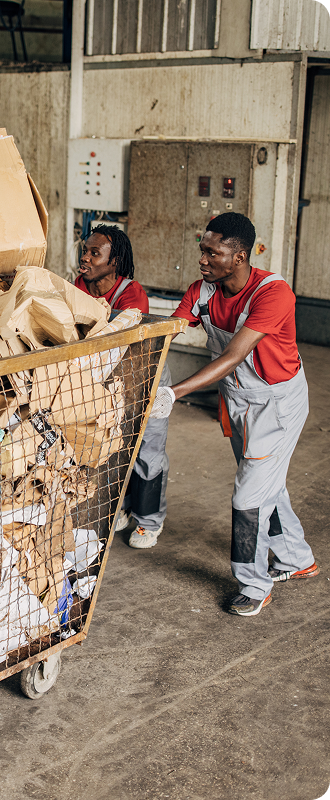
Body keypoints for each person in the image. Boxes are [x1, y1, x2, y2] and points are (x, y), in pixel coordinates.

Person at [150, 212, 319, 617]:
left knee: (248, 498)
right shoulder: (203, 291)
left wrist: (174, 392)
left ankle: (254, 583)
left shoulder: (272, 294)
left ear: (240, 256)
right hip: (240, 400)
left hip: (275, 404)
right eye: (202, 250)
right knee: (265, 485)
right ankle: (296, 559)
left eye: (213, 252)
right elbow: (171, 329)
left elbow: (233, 355)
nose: (203, 259)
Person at [75, 224, 170, 548]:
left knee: (148, 449)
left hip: (145, 377)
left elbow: (131, 351)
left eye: (94, 253)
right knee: (114, 445)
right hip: (107, 379)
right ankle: (125, 508)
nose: (85, 258)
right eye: (85, 250)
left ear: (114, 262)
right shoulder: (78, 285)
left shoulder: (132, 294)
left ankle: (148, 521)